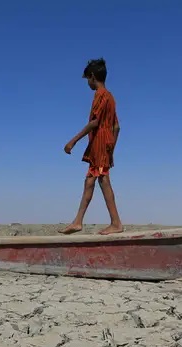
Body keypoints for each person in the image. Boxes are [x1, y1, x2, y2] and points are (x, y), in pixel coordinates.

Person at [60, 58, 123, 235]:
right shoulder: (111, 98)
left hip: (100, 142)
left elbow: (94, 122)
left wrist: (73, 141)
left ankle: (116, 223)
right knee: (89, 180)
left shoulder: (101, 95)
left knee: (103, 179)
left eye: (88, 79)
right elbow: (116, 127)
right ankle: (78, 221)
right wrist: (111, 149)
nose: (87, 83)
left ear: (93, 77)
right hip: (102, 145)